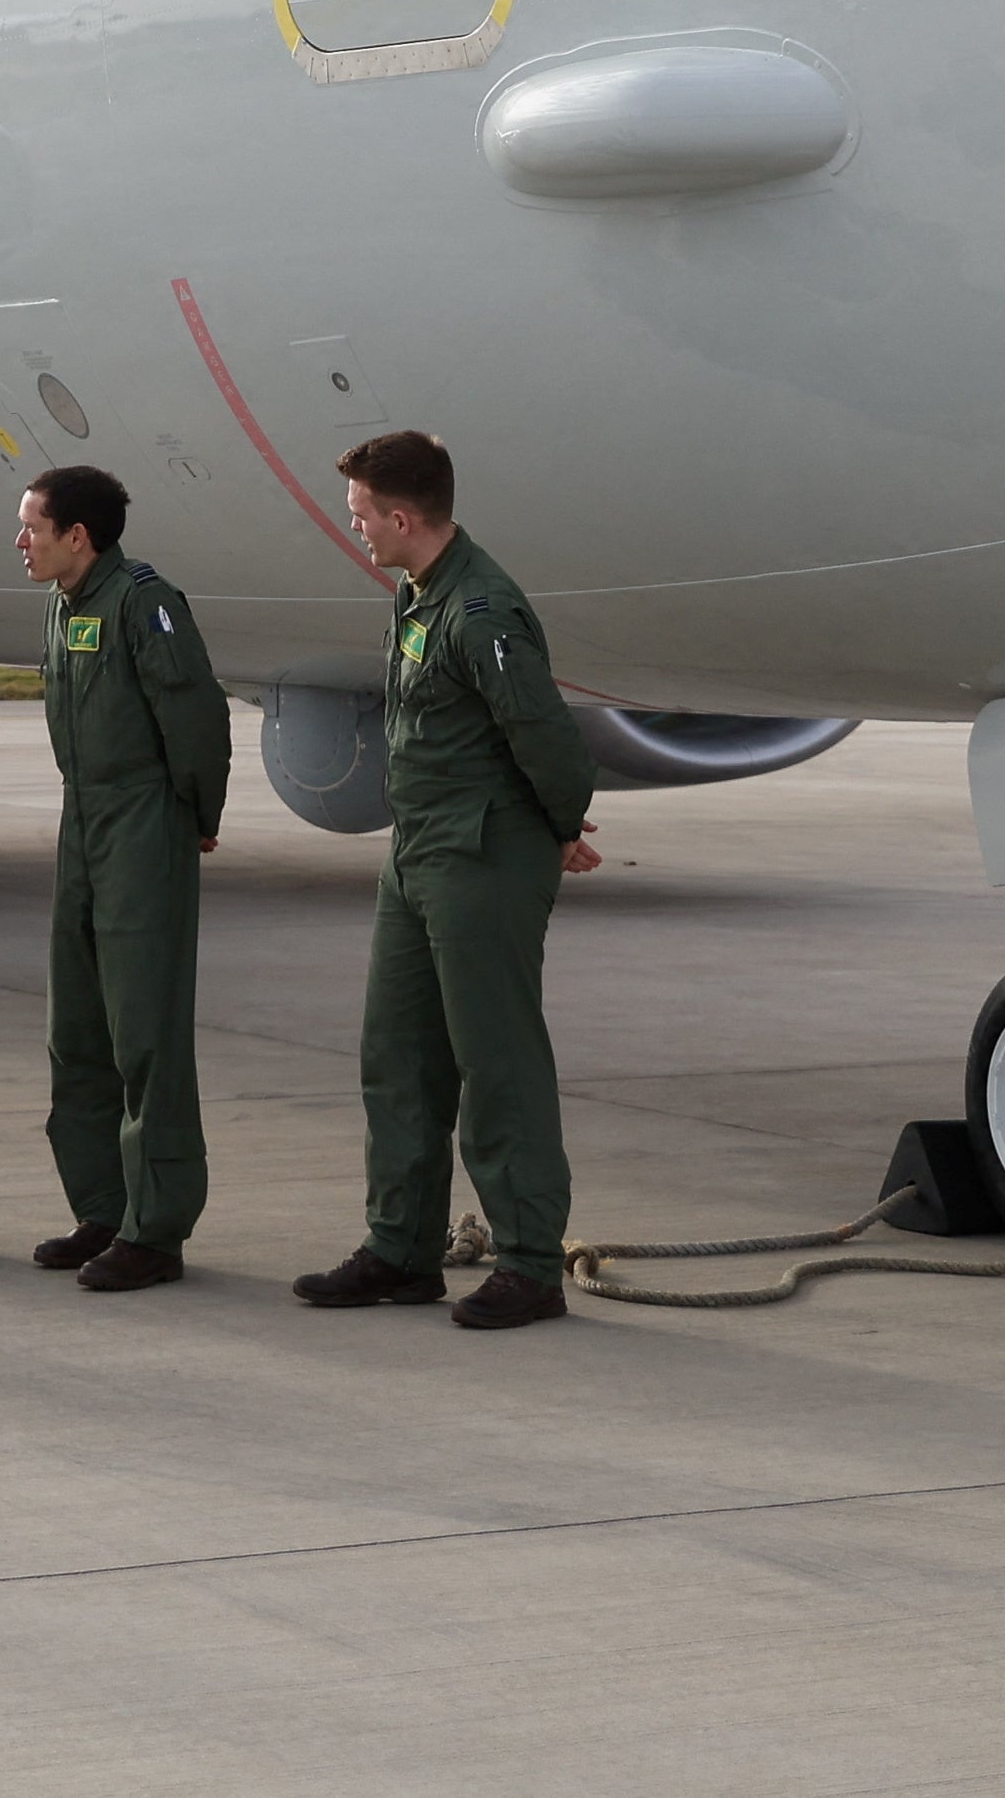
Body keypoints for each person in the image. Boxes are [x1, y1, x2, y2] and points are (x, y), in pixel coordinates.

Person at [290, 428, 601, 1332]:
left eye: (361, 517)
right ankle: (400, 1248)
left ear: (401, 515)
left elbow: (546, 739)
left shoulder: (479, 611)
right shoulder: (418, 593)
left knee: (495, 1063)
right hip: (418, 851)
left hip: (480, 855)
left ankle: (531, 1262)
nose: (355, 531)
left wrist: (557, 829)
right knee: (398, 1059)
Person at [23, 461, 224, 1291]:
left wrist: (194, 818)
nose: (21, 540)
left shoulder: (146, 603)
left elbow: (197, 719)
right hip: (84, 822)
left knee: (145, 1031)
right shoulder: (66, 605)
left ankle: (156, 1226)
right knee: (78, 1030)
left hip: (142, 823)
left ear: (79, 535)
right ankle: (102, 1208)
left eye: (33, 525)